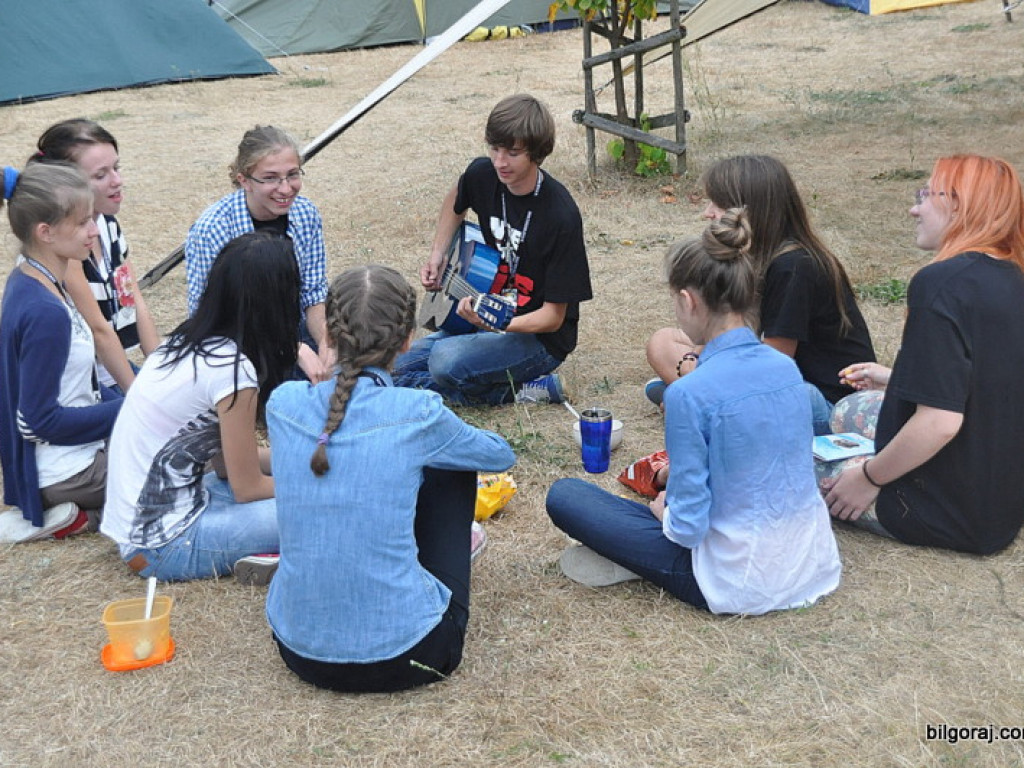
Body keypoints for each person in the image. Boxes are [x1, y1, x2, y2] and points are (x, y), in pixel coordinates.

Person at [546, 209, 841, 615]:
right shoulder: (787, 370)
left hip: (737, 580)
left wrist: (662, 511)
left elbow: (687, 529)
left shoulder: (690, 393)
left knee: (566, 496)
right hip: (810, 564)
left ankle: (635, 559)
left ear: (688, 300)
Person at [265, 264, 515, 692]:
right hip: (413, 653)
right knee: (450, 464)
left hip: (299, 651)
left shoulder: (283, 404)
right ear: (406, 342)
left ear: (327, 335)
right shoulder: (418, 414)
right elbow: (498, 454)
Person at [823, 154, 1024, 556]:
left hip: (952, 513)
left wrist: (869, 477)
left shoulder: (940, 285)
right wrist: (896, 379)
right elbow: (988, 379)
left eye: (925, 195)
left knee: (796, 466)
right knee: (848, 410)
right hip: (1003, 492)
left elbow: (940, 423)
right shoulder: (1012, 273)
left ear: (959, 204)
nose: (914, 208)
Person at [100, 232, 300, 581]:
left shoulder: (185, 342)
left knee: (303, 491)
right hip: (161, 547)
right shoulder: (233, 370)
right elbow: (247, 486)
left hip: (146, 526)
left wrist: (303, 458)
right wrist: (317, 482)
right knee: (321, 507)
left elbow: (228, 465)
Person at [645, 155, 875, 434]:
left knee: (703, 378)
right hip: (770, 377)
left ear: (748, 210)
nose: (707, 213)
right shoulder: (752, 257)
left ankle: (692, 401)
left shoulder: (794, 267)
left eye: (716, 203)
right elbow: (721, 333)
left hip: (824, 402)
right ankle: (692, 397)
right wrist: (695, 363)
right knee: (662, 342)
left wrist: (695, 377)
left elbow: (770, 366)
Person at [392, 94, 593, 406]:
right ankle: (437, 386)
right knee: (394, 364)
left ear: (537, 153)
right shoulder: (483, 175)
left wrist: (498, 323)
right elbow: (456, 199)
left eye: (512, 153)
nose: (500, 162)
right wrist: (438, 253)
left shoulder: (560, 216)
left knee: (444, 361)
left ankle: (521, 390)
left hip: (537, 338)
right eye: (494, 149)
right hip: (485, 313)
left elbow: (553, 318)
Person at [0, 162, 123, 539]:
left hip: (65, 460)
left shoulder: (30, 276)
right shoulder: (44, 311)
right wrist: (130, 408)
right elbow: (36, 421)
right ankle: (80, 516)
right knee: (185, 468)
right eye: (83, 222)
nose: (93, 231)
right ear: (45, 232)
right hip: (68, 471)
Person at [184, 125, 332, 383]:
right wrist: (294, 348)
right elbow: (208, 318)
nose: (286, 189)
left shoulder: (305, 213)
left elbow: (313, 293)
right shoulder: (213, 229)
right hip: (236, 339)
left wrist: (325, 344)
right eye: (271, 178)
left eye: (293, 175)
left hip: (293, 325)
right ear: (244, 180)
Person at [33, 119, 160, 394]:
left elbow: (135, 299)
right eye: (101, 175)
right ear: (67, 185)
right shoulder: (64, 246)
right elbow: (100, 332)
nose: (118, 180)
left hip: (111, 370)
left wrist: (161, 372)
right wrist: (140, 401)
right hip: (78, 384)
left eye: (117, 168)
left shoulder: (108, 225)